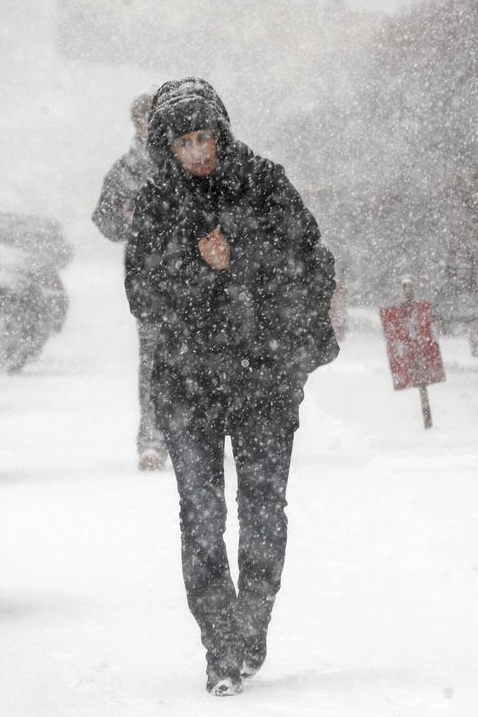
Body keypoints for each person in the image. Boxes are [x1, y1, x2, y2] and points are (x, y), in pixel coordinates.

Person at [124, 78, 339, 696]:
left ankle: (253, 620)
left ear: (221, 131)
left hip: (263, 380)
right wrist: (199, 268)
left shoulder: (266, 184)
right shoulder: (157, 204)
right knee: (201, 515)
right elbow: (144, 295)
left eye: (205, 137)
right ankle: (219, 643)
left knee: (263, 508)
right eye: (185, 142)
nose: (198, 152)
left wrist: (239, 260)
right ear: (168, 146)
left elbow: (311, 265)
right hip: (188, 386)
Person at [92, 92, 169, 471]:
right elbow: (105, 222)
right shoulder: (124, 171)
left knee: (203, 361)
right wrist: (124, 217)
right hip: (150, 282)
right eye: (143, 121)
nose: (149, 127)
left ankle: (199, 433)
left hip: (198, 282)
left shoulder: (189, 162)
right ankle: (153, 438)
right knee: (154, 361)